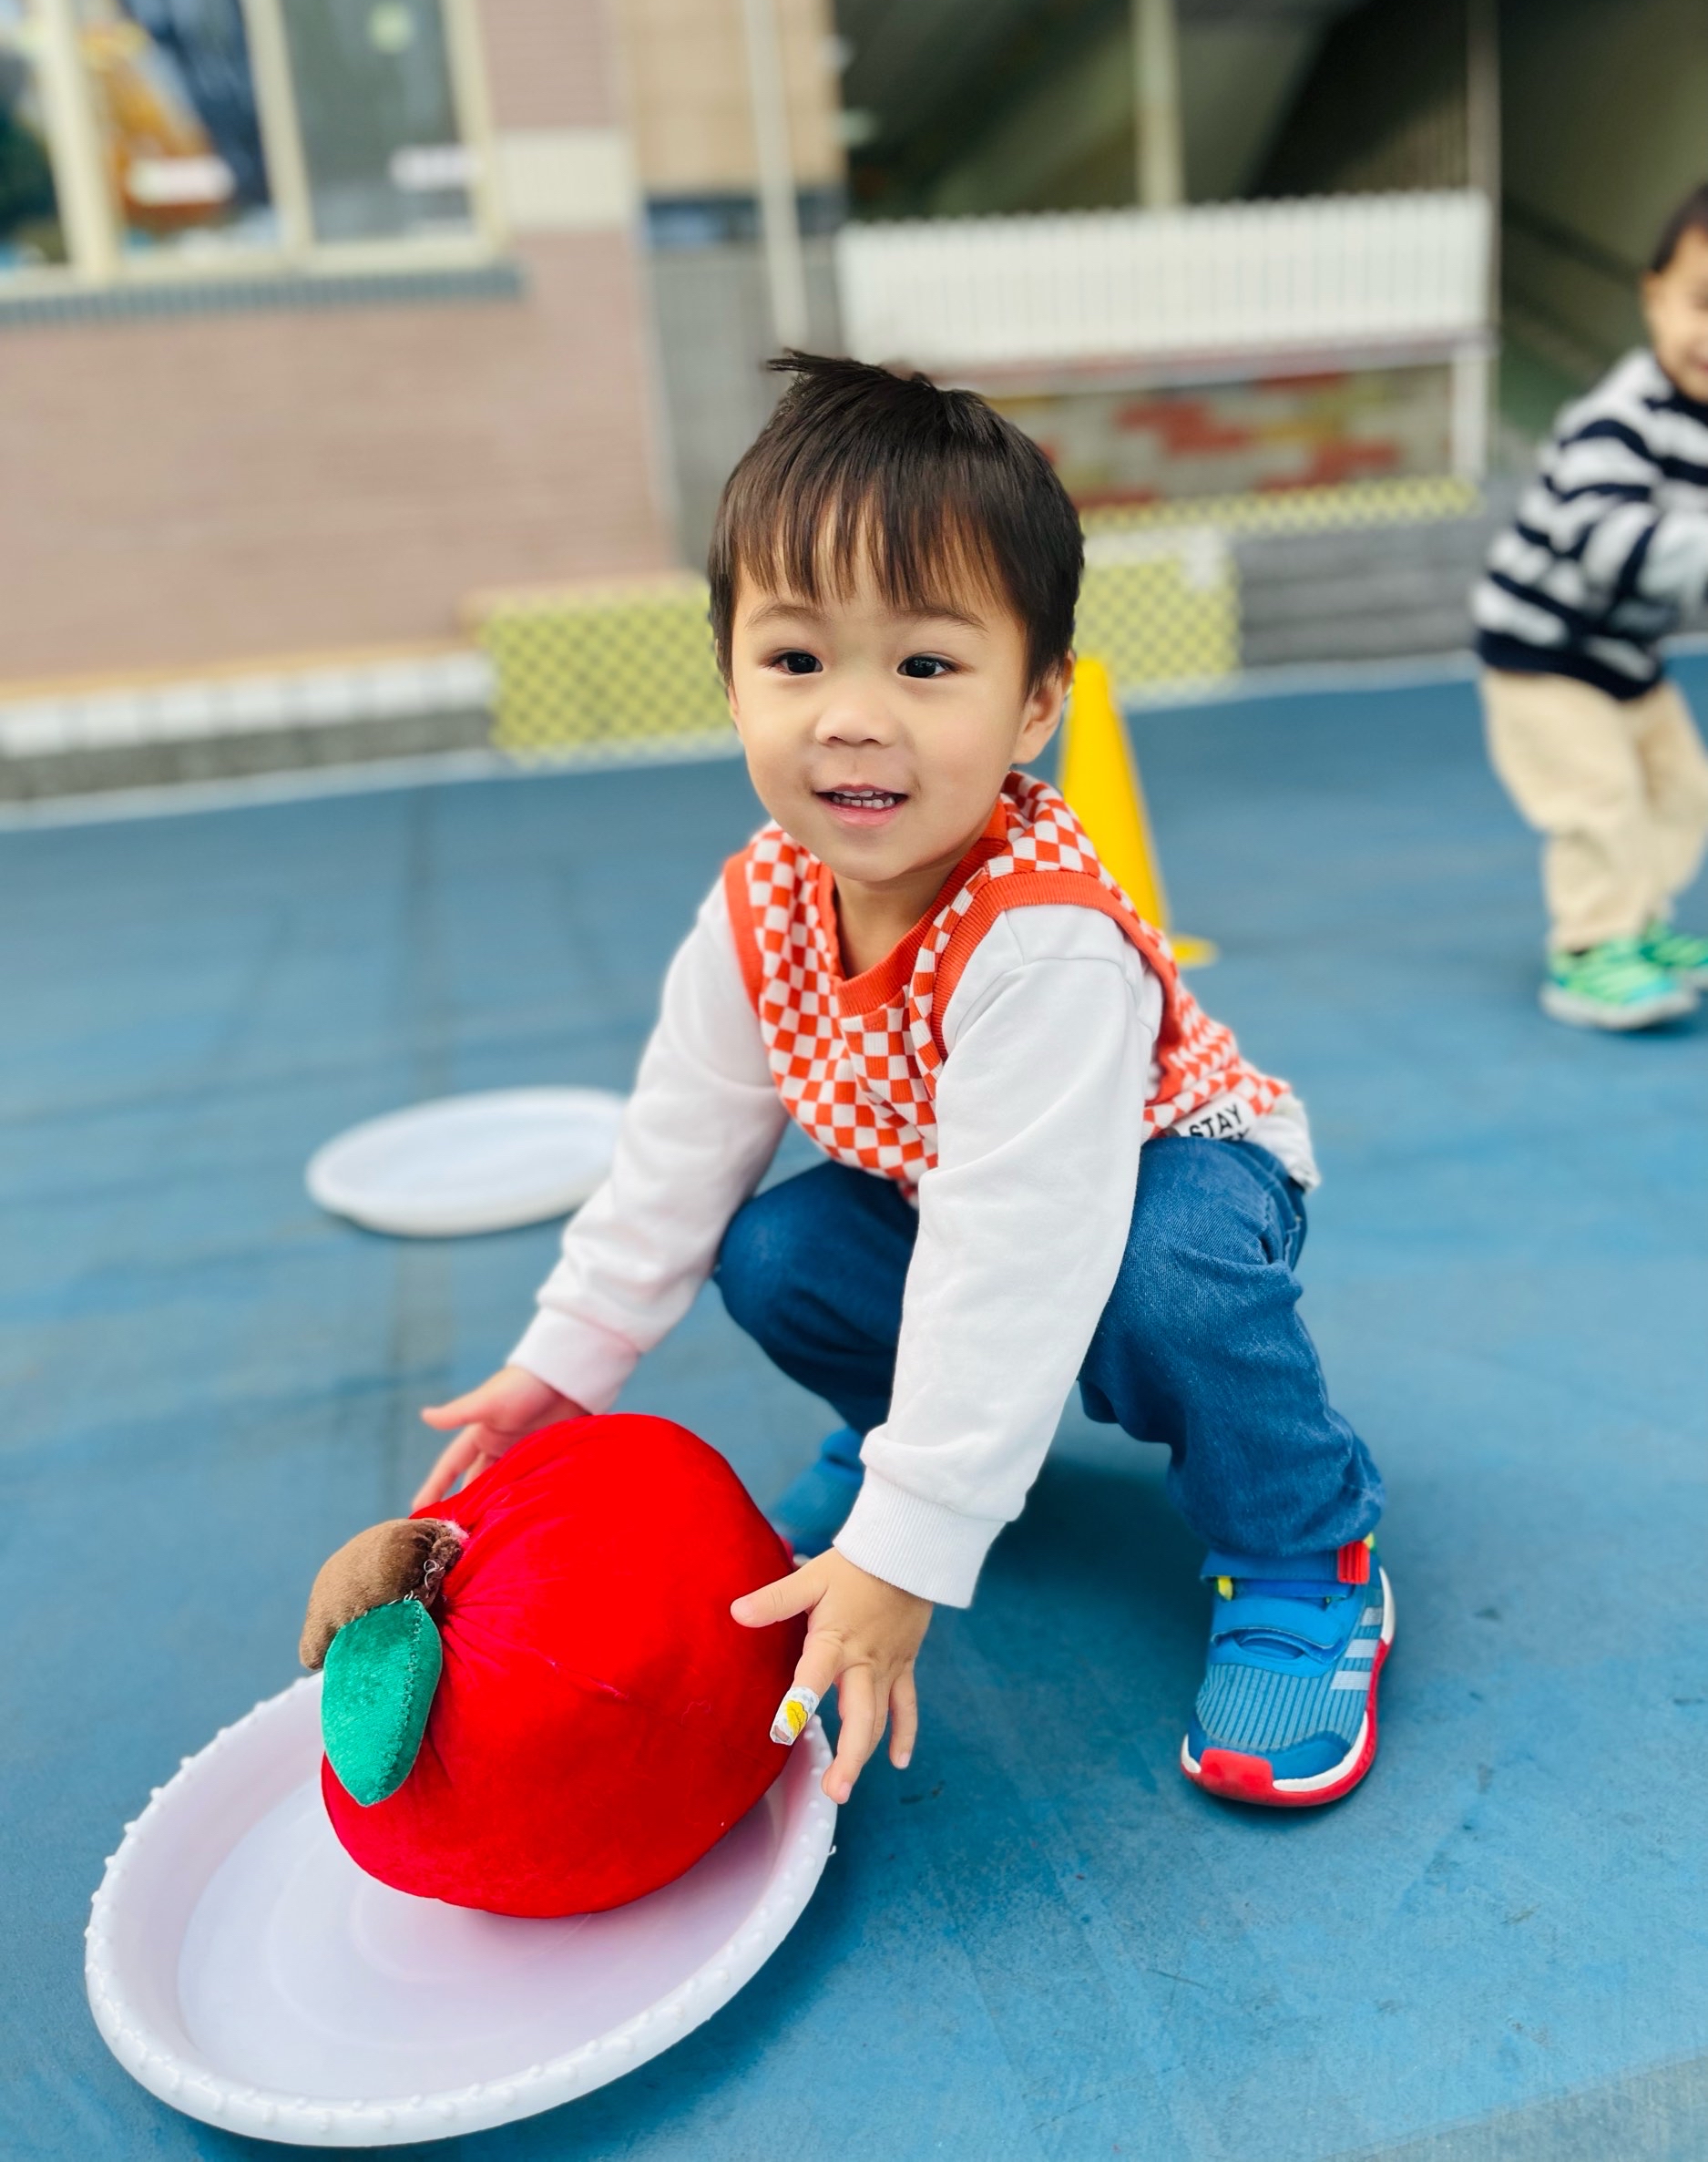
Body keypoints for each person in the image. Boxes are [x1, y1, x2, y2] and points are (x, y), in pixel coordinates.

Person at [415, 355, 1389, 1813]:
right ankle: (914, 1434)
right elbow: (676, 1153)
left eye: (924, 666)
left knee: (1159, 1277)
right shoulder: (759, 907)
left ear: (1034, 702)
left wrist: (909, 1540)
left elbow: (1016, 1250)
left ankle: (1305, 1552)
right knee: (777, 1247)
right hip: (969, 1201)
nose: (850, 717)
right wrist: (562, 1365)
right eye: (796, 660)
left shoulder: (1040, 942)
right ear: (730, 677)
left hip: (1170, 1172)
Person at [1475, 183, 1708, 1029]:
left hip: (1624, 657)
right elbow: (1603, 540)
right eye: (1701, 304)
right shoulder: (1622, 416)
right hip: (1542, 651)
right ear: (1653, 297)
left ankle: (1634, 922)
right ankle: (1588, 949)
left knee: (1681, 789)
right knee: (1598, 797)